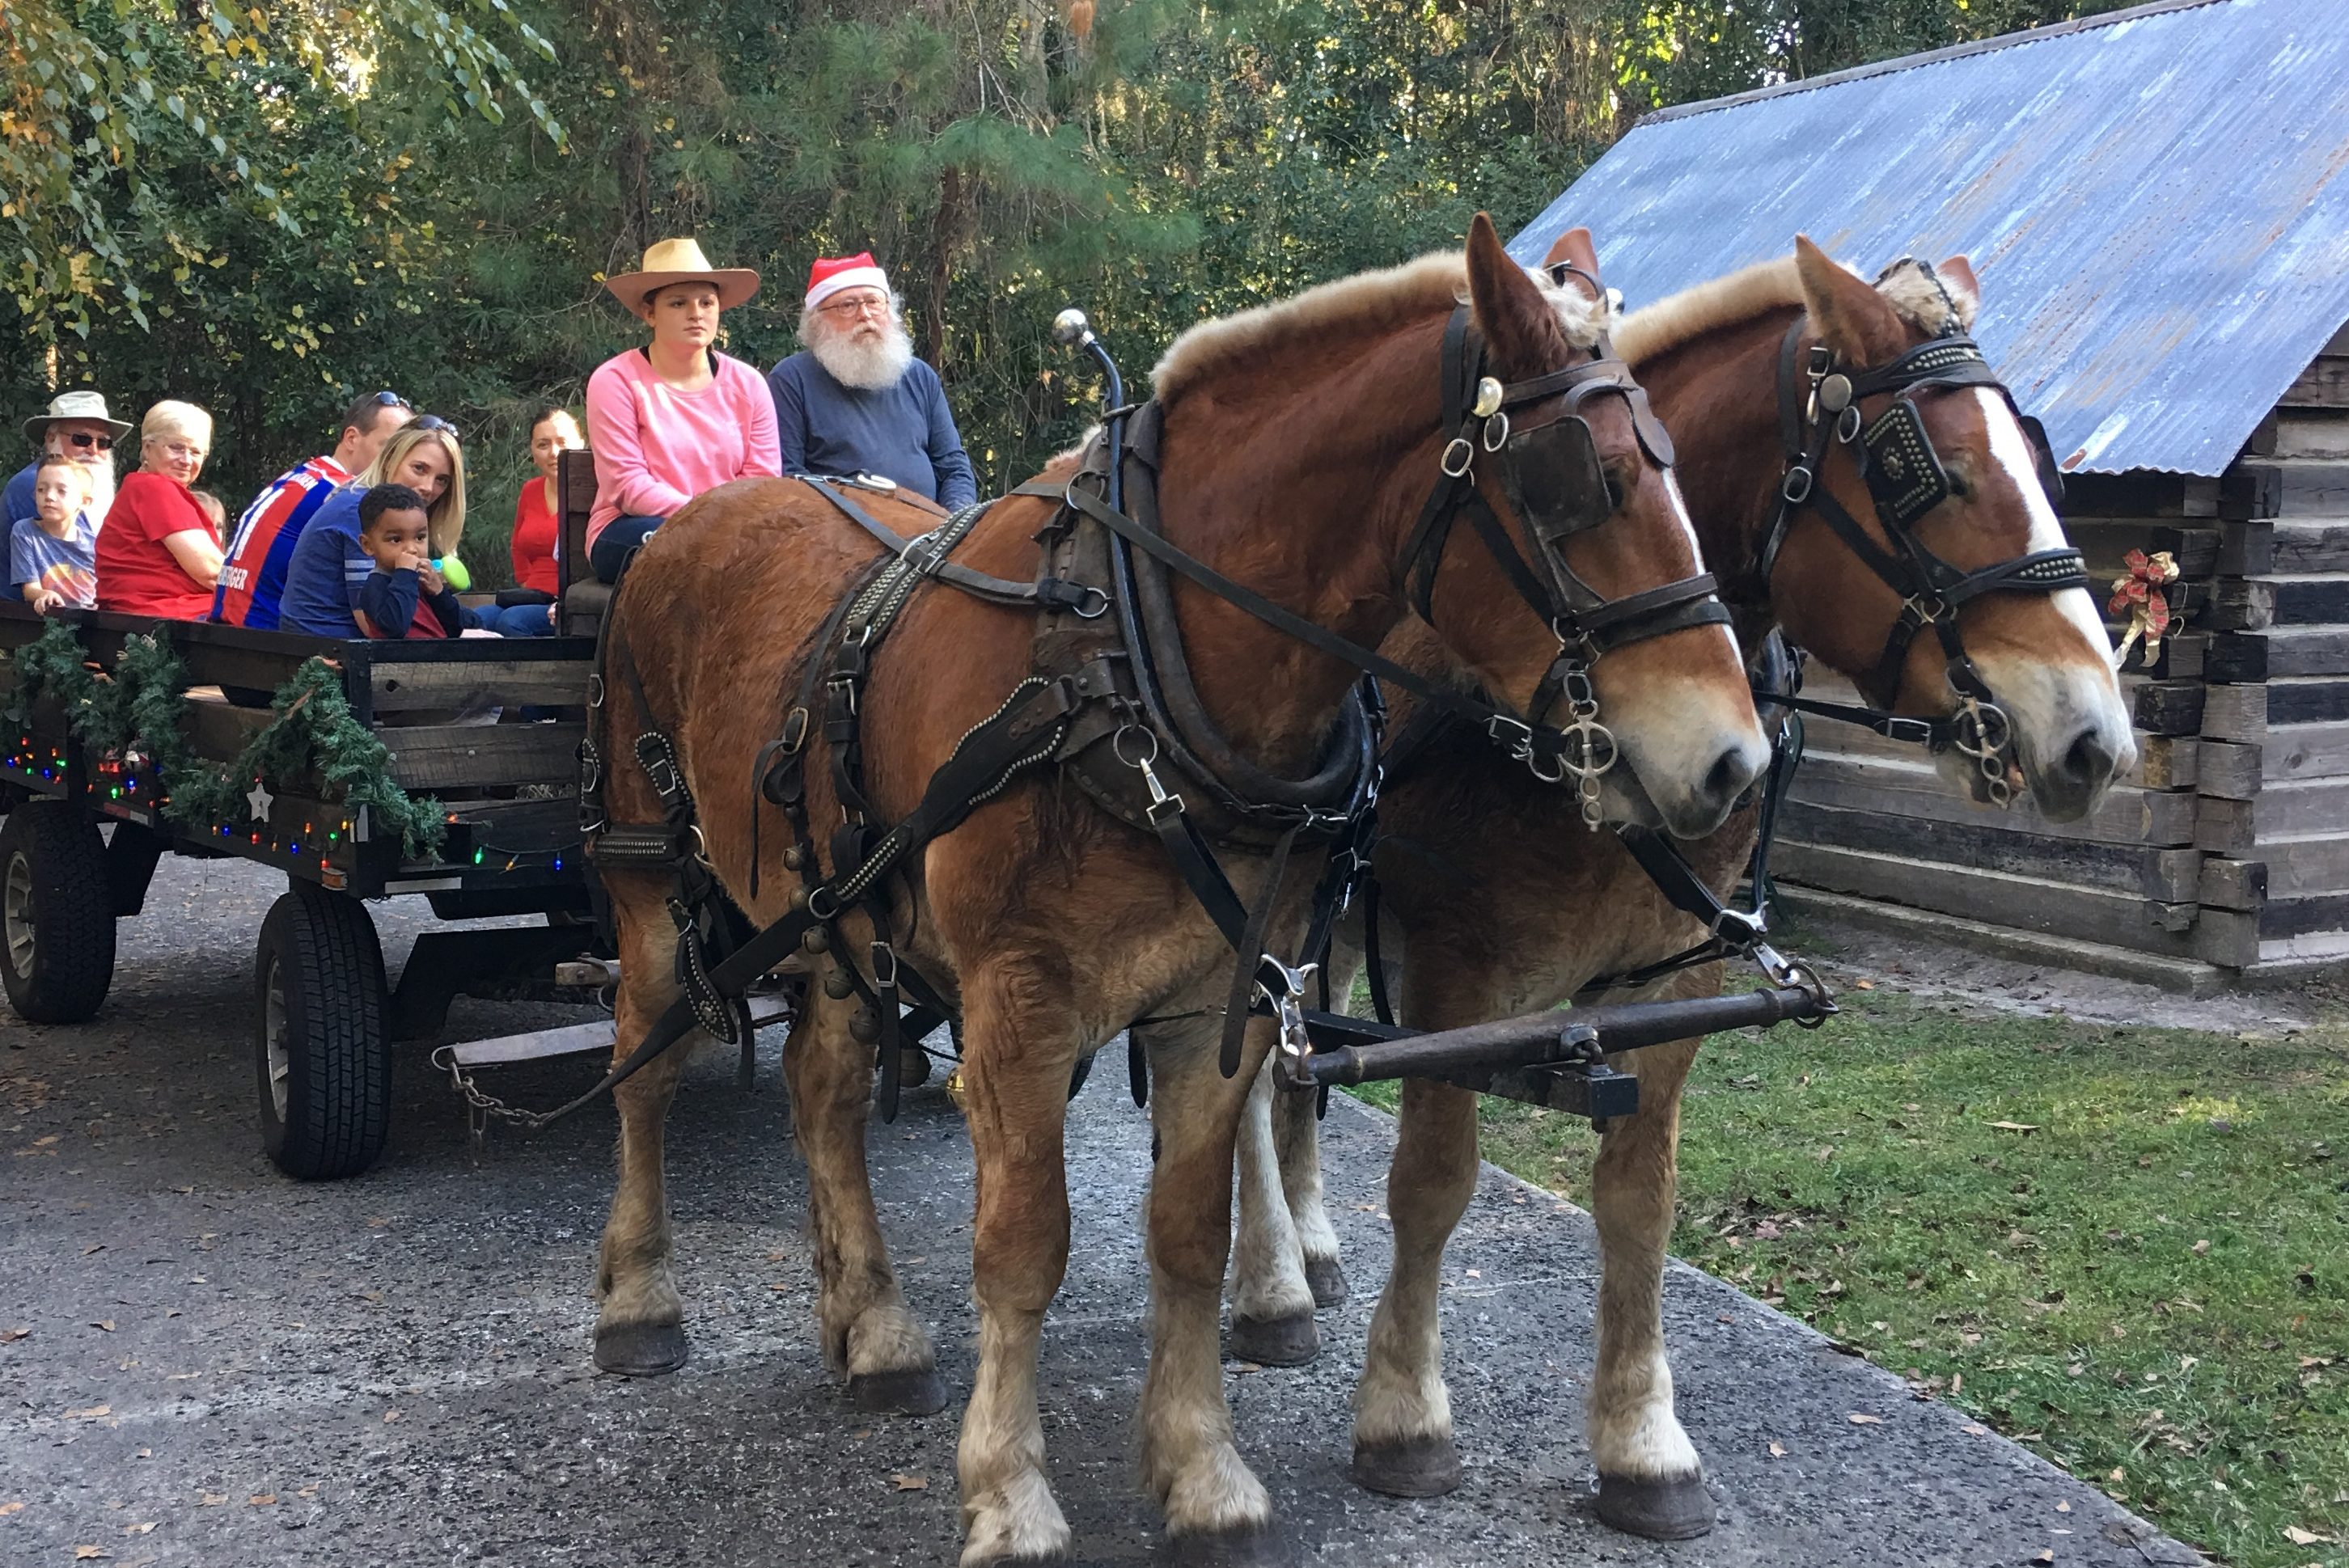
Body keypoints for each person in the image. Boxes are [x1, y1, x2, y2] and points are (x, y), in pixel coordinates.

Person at [583, 237, 781, 583]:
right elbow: (627, 486)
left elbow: (762, 481)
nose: (696, 313)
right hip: (635, 527)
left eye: (707, 302)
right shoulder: (615, 380)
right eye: (678, 303)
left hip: (733, 531)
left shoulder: (749, 384)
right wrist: (704, 517)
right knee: (677, 547)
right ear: (649, 313)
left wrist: (723, 523)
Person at [767, 251, 977, 510]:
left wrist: (957, 520)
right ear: (817, 321)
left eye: (874, 302)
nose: (865, 314)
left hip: (932, 538)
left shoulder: (920, 377)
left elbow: (953, 467)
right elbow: (787, 478)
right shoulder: (791, 379)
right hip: (840, 539)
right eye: (847, 305)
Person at [214, 390, 417, 628]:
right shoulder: (349, 497)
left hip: (229, 625)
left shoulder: (305, 476)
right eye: (390, 447)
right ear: (351, 438)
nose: (398, 458)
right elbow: (373, 619)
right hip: (268, 634)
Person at [279, 420, 468, 637]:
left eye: (441, 480)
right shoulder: (361, 511)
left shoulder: (376, 506)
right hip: (329, 644)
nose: (428, 487)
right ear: (389, 460)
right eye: (419, 469)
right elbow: (374, 627)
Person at [94, 400, 222, 620]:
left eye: (196, 452)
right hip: (169, 616)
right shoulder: (155, 488)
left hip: (147, 616)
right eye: (176, 448)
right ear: (147, 447)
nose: (186, 460)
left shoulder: (140, 487)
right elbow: (210, 571)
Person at [5, 391, 128, 602]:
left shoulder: (86, 488)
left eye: (104, 443)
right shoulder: (35, 484)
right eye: (82, 439)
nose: (93, 450)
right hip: (25, 618)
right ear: (51, 438)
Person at [351, 484, 463, 640]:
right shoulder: (375, 586)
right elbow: (395, 628)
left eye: (420, 538)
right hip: (400, 662)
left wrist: (439, 593)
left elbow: (457, 627)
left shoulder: (422, 582)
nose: (412, 549)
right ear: (368, 545)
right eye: (396, 540)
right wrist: (404, 574)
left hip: (440, 658)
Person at [11, 455, 97, 613]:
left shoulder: (95, 545)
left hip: (89, 622)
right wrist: (44, 594)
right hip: (47, 622)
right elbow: (30, 589)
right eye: (41, 490)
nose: (49, 497)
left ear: (84, 501)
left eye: (61, 491)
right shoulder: (25, 533)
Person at [510, 405, 578, 596]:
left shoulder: (596, 491)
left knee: (512, 621)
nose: (554, 453)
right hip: (532, 594)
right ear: (532, 452)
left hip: (571, 601)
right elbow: (517, 546)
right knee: (481, 617)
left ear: (581, 445)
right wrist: (525, 581)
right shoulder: (530, 490)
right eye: (543, 445)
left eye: (562, 442)